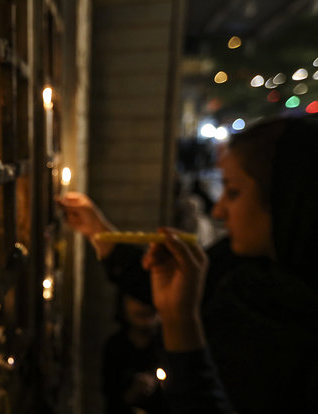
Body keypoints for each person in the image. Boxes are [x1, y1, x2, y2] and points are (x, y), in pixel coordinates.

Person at [58, 115, 318, 413]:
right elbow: (157, 288)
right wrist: (98, 230)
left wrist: (180, 322)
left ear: (287, 199)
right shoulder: (243, 268)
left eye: (233, 192)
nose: (218, 211)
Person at [102, 293, 168, 414]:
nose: (144, 306)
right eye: (136, 299)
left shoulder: (170, 346)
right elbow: (110, 397)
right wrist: (130, 395)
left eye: (149, 300)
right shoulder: (115, 346)